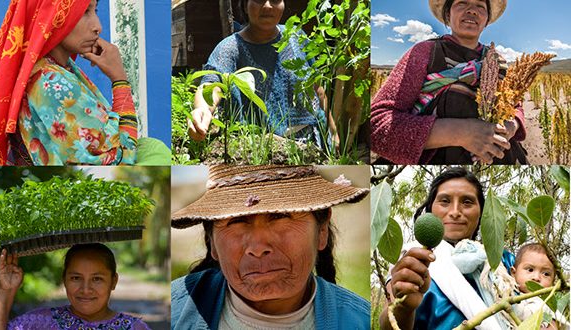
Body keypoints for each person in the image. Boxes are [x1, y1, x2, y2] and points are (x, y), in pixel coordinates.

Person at [171, 165, 370, 329]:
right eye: (237, 221)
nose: (258, 247)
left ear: (322, 230)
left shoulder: (360, 321)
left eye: (280, 216)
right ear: (212, 240)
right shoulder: (169, 312)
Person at [0, 0, 138, 165]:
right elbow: (121, 162)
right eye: (84, 12)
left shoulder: (54, 68)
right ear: (54, 17)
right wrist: (120, 80)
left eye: (95, 10)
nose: (98, 26)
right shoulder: (52, 83)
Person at [370, 0, 528, 165]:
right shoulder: (424, 52)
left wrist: (511, 127)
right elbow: (377, 125)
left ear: (487, 19)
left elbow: (515, 106)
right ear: (447, 14)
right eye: (462, 3)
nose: (472, 10)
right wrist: (462, 133)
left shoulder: (496, 60)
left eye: (480, 6)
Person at [187, 0, 337, 148]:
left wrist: (334, 131)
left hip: (315, 140)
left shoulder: (296, 36)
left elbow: (317, 87)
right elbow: (212, 83)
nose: (267, 5)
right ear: (245, 5)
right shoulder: (231, 48)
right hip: (265, 149)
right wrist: (202, 110)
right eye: (259, 0)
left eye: (275, 0)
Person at [380, 167, 517, 330]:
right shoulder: (412, 259)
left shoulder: (503, 261)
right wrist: (404, 307)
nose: (455, 212)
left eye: (467, 202)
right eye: (445, 201)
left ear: (482, 212)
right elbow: (387, 324)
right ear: (431, 208)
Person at [0, 244, 150, 330]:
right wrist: (6, 290)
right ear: (64, 279)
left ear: (113, 281)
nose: (85, 289)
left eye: (97, 279)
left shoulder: (133, 328)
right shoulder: (40, 323)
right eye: (76, 278)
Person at [511, 243, 559, 329]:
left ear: (552, 284)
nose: (536, 278)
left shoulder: (545, 304)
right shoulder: (508, 289)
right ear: (513, 273)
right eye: (530, 270)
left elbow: (554, 326)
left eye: (546, 274)